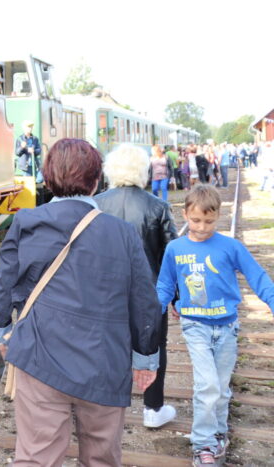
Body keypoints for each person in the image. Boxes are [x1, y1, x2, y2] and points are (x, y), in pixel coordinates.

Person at [0, 138, 161, 466]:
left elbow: (2, 287)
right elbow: (144, 300)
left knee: (37, 457)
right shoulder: (122, 233)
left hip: (40, 359)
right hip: (104, 363)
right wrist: (145, 359)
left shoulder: (26, 223)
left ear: (48, 179)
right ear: (96, 181)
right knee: (102, 457)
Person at [156, 185, 274, 465]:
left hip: (227, 327)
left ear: (218, 216)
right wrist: (153, 312)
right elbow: (164, 284)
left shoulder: (230, 246)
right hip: (194, 325)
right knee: (207, 385)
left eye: (209, 221)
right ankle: (203, 444)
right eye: (195, 220)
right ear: (184, 214)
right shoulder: (175, 248)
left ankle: (218, 432)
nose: (201, 227)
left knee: (220, 387)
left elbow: (257, 276)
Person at [96, 144, 179, 429]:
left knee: (106, 345)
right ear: (143, 171)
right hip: (149, 293)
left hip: (105, 292)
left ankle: (104, 406)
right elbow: (171, 257)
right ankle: (153, 408)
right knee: (156, 345)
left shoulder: (96, 204)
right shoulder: (158, 206)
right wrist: (177, 299)